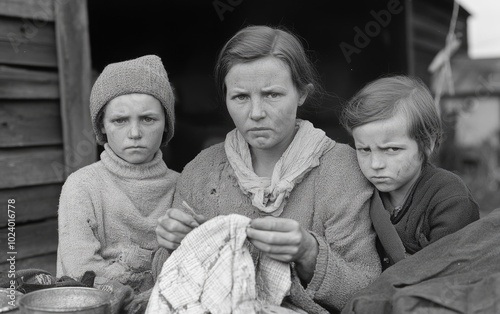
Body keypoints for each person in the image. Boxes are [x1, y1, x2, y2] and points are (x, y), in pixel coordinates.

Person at [153, 25, 381, 313]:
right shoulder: (202, 171)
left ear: (302, 94)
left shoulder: (342, 170)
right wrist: (173, 246)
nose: (256, 112)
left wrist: (309, 253)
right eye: (240, 97)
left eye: (272, 95)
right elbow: (168, 285)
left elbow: (368, 290)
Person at [56, 55, 179, 312]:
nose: (134, 133)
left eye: (148, 119)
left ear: (166, 122)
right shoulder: (82, 186)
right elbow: (82, 272)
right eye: (120, 120)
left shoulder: (182, 185)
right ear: (102, 124)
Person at [340, 75, 480, 270]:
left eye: (392, 149)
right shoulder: (357, 192)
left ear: (427, 144)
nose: (375, 164)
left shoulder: (450, 198)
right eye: (364, 150)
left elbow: (444, 275)